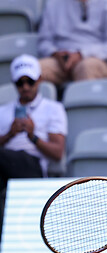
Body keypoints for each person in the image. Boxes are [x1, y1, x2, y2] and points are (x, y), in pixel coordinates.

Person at [0, 54, 67, 233]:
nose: (25, 87)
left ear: (40, 80)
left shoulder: (53, 109)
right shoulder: (3, 111)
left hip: (33, 165)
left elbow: (57, 152)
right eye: (20, 83)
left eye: (30, 81)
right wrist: (9, 134)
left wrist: (33, 136)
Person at [37, 0, 107, 85]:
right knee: (34, 70)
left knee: (87, 68)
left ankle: (85, 100)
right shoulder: (53, 3)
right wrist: (55, 53)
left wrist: (82, 54)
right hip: (60, 61)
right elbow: (44, 41)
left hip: (93, 59)